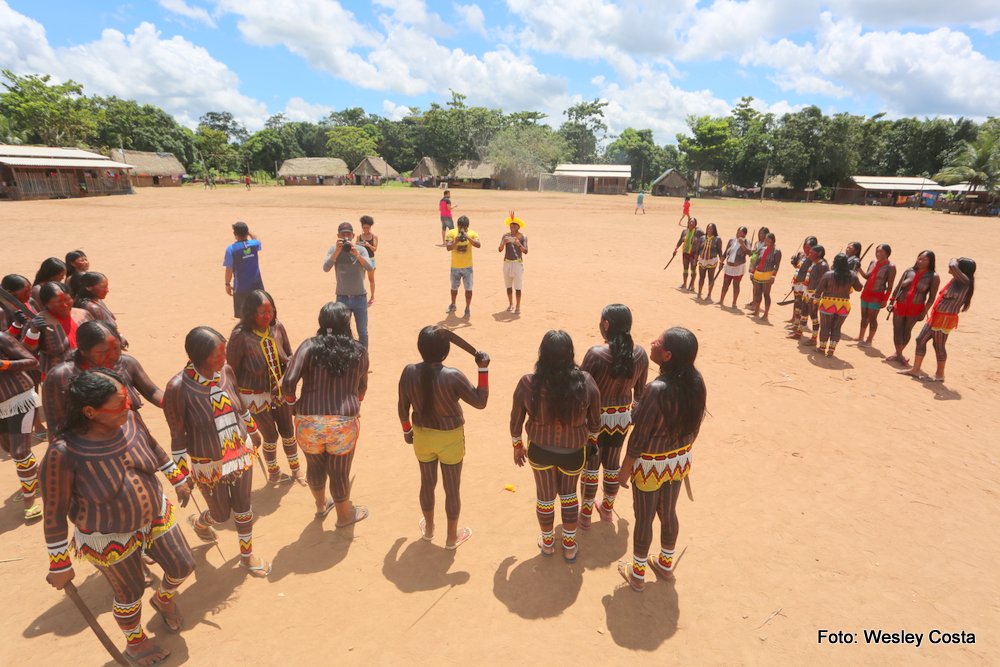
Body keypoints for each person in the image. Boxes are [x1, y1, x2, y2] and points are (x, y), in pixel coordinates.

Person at [41, 370, 195, 665]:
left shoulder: (132, 420)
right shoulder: (63, 453)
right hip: (106, 537)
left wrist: (177, 478)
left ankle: (162, 598)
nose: (129, 405)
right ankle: (136, 642)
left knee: (183, 565)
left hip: (156, 515)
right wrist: (59, 563)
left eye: (126, 398)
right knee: (130, 591)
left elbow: (154, 447)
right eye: (120, 403)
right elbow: (54, 511)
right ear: (90, 412)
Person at [163, 326, 270, 578]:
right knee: (221, 515)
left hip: (240, 452)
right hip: (207, 463)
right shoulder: (178, 388)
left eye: (224, 352)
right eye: (217, 354)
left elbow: (240, 406)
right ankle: (201, 522)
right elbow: (177, 436)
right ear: (198, 357)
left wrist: (253, 431)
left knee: (243, 507)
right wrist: (181, 477)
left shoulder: (227, 371)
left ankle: (246, 556)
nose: (224, 358)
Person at [618, 327, 705, 592]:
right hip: (678, 461)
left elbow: (639, 437)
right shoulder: (696, 382)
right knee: (668, 513)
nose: (653, 342)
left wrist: (625, 469)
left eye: (659, 342)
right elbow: (696, 424)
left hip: (650, 464)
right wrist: (682, 451)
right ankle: (665, 564)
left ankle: (638, 573)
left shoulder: (656, 390)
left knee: (644, 518)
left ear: (667, 356)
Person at [510, 331, 600, 561]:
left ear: (542, 354)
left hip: (540, 450)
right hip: (573, 452)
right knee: (569, 496)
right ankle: (569, 546)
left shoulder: (528, 383)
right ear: (570, 354)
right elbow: (596, 422)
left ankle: (548, 543)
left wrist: (518, 446)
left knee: (545, 496)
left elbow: (515, 421)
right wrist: (591, 442)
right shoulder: (586, 382)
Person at [398, 326, 489, 548]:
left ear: (420, 347)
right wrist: (483, 369)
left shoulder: (409, 372)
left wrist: (407, 431)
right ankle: (451, 537)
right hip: (450, 438)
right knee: (452, 488)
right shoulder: (452, 376)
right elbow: (480, 402)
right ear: (446, 351)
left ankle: (429, 529)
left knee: (427, 483)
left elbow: (402, 407)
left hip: (422, 436)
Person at [283, 302, 369, 526]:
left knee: (314, 467)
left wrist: (293, 405)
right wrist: (355, 404)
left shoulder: (308, 346)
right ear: (347, 324)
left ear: (321, 322)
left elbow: (288, 382)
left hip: (308, 421)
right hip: (343, 423)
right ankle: (344, 516)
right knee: (339, 473)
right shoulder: (359, 351)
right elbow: (362, 389)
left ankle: (321, 506)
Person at [578, 304, 648, 528]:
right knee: (612, 464)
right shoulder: (640, 354)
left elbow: (581, 389)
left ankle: (585, 515)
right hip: (622, 418)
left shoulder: (596, 354)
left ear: (606, 324)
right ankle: (607, 510)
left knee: (591, 466)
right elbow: (640, 394)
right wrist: (629, 415)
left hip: (595, 419)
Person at [226, 290, 300, 484]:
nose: (268, 316)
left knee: (288, 431)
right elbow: (230, 371)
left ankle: (296, 471)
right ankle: (274, 473)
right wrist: (235, 402)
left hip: (280, 391)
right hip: (253, 396)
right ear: (251, 313)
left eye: (271, 311)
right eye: (262, 313)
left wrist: (285, 381)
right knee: (270, 435)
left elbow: (290, 356)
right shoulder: (240, 337)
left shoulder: (278, 327)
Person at [43, 320, 162, 434]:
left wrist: (171, 400)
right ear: (83, 351)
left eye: (116, 348)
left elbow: (152, 392)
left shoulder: (126, 364)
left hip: (132, 434)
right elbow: (55, 424)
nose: (113, 356)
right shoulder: (60, 377)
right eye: (103, 352)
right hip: (87, 444)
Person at [904, 258, 975, 382]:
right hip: (937, 316)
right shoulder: (957, 281)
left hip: (945, 318)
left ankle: (940, 374)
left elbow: (952, 265)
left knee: (938, 345)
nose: (951, 268)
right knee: (920, 339)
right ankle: (916, 369)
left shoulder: (964, 281)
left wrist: (954, 260)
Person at [0, 330, 41, 520]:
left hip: (20, 398)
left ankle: (29, 502)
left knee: (20, 452)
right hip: (1, 407)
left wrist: (6, 365)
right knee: (9, 448)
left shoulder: (2, 338)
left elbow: (32, 361)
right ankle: (37, 478)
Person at [22, 282, 93, 377]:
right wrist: (33, 331)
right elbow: (26, 351)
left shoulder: (84, 315)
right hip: (58, 378)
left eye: (67, 299)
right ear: (46, 304)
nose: (65, 305)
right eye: (59, 302)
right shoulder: (38, 322)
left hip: (88, 374)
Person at [322, 221, 373, 349]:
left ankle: (363, 358)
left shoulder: (361, 249)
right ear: (338, 236)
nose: (346, 237)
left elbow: (370, 267)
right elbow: (326, 268)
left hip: (360, 297)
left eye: (348, 234)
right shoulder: (333, 250)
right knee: (342, 332)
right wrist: (337, 252)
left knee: (363, 332)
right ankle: (346, 358)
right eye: (343, 234)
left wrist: (356, 254)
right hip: (342, 298)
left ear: (353, 235)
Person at [887, 251, 940, 365]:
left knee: (906, 331)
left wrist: (924, 312)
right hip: (900, 305)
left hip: (916, 308)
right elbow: (898, 288)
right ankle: (899, 355)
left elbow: (931, 298)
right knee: (897, 330)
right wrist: (891, 302)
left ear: (930, 261)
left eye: (924, 260)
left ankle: (898, 354)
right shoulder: (908, 271)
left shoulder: (934, 277)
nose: (920, 261)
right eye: (919, 258)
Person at [812, 253, 863, 357]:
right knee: (836, 328)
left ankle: (822, 348)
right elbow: (859, 288)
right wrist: (854, 276)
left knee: (825, 327)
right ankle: (831, 350)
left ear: (835, 262)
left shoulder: (828, 275)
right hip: (844, 305)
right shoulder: (852, 275)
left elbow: (818, 291)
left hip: (827, 304)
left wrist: (815, 303)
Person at [856, 244, 897, 346]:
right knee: (863, 316)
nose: (878, 253)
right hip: (866, 293)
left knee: (872, 318)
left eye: (881, 252)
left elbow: (890, 286)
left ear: (887, 253)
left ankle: (869, 340)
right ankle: (860, 337)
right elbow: (867, 276)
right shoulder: (873, 262)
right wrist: (859, 268)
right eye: (877, 251)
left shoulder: (891, 267)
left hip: (877, 295)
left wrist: (885, 299)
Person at [223, 221, 264, 318]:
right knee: (259, 313)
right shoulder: (254, 244)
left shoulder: (231, 249)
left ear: (235, 234)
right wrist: (249, 232)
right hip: (257, 285)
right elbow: (257, 239)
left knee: (243, 315)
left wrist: (227, 284)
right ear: (246, 232)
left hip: (241, 287)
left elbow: (229, 269)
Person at [445, 216, 480, 319]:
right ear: (457, 225)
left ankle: (467, 308)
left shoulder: (472, 233)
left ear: (467, 226)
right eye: (460, 227)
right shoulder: (451, 233)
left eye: (464, 227)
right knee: (454, 288)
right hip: (455, 266)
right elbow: (448, 247)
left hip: (467, 267)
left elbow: (478, 245)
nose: (462, 229)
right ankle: (453, 304)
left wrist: (468, 237)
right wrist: (455, 241)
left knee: (468, 289)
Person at [791, 245, 825, 342]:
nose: (809, 254)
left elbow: (823, 282)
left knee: (813, 316)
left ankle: (814, 338)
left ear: (819, 254)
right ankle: (798, 333)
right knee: (804, 313)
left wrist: (816, 296)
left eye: (811, 253)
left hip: (814, 294)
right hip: (807, 292)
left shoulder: (823, 266)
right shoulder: (814, 263)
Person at [498, 212, 527, 314]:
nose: (512, 227)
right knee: (508, 286)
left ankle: (518, 306)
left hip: (517, 264)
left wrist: (518, 244)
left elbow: (525, 251)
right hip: (507, 263)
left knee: (518, 287)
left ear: (518, 227)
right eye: (511, 226)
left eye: (514, 226)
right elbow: (500, 249)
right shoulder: (505, 236)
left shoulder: (523, 237)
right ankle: (510, 304)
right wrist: (503, 243)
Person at [748, 232, 782, 320]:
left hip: (767, 275)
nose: (765, 241)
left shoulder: (777, 251)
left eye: (767, 240)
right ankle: (756, 311)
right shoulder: (762, 249)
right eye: (765, 240)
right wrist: (753, 272)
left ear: (772, 241)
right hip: (758, 274)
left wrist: (773, 276)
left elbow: (777, 265)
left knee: (766, 294)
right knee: (757, 293)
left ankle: (766, 314)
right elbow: (756, 261)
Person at [787, 236, 817, 327]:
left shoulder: (813, 259)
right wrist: (794, 263)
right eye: (805, 246)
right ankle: (795, 321)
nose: (805, 249)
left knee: (803, 304)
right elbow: (799, 268)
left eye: (808, 247)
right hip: (797, 283)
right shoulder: (802, 255)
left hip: (804, 285)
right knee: (797, 302)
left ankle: (802, 324)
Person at [718, 226, 750, 308]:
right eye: (737, 232)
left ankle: (734, 303)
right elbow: (725, 252)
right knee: (725, 283)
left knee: (736, 285)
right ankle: (721, 300)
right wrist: (721, 262)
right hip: (729, 266)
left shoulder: (746, 242)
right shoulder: (731, 240)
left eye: (740, 233)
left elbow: (749, 253)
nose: (738, 234)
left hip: (738, 267)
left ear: (744, 235)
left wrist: (742, 244)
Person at [693, 222, 722, 301]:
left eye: (711, 229)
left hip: (712, 261)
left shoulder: (717, 239)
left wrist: (721, 262)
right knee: (701, 278)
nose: (709, 230)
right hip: (702, 260)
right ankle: (699, 293)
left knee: (711, 278)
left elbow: (720, 251)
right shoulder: (702, 238)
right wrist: (695, 260)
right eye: (708, 228)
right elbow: (697, 250)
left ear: (714, 230)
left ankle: (709, 295)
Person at [672, 218, 702, 291]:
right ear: (688, 223)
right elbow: (680, 240)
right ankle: (684, 284)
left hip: (693, 253)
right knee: (685, 268)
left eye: (693, 222)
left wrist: (699, 245)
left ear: (695, 224)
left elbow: (704, 238)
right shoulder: (684, 231)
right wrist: (676, 248)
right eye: (690, 222)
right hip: (685, 252)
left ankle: (692, 285)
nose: (691, 223)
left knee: (693, 269)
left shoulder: (698, 232)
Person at [356, 215, 379, 306]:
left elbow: (374, 249)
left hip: (371, 260)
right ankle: (360, 296)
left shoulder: (374, 236)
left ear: (370, 227)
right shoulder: (359, 236)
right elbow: (356, 247)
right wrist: (359, 244)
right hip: (361, 260)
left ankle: (372, 297)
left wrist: (368, 245)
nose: (366, 229)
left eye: (367, 227)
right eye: (364, 227)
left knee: (371, 279)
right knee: (360, 279)